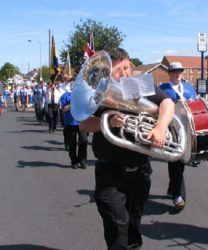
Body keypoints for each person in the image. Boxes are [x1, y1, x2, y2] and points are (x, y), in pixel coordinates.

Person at [79, 48, 175, 249]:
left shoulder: (137, 84)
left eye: (127, 67)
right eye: (119, 69)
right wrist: (108, 121)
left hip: (140, 171)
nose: (125, 73)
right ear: (107, 71)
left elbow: (167, 103)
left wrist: (160, 128)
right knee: (117, 226)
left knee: (133, 224)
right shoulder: (98, 91)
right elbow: (83, 124)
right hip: (110, 173)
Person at [159, 62, 197, 211]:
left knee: (180, 161)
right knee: (177, 162)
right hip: (171, 129)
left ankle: (171, 188)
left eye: (180, 71)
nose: (178, 74)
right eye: (175, 71)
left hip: (187, 129)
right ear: (170, 73)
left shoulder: (189, 87)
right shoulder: (163, 89)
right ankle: (178, 196)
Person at [60, 82, 88, 169]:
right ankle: (74, 161)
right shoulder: (65, 96)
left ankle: (82, 160)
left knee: (84, 141)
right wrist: (73, 103)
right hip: (70, 122)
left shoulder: (83, 95)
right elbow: (64, 109)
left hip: (81, 121)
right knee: (72, 143)